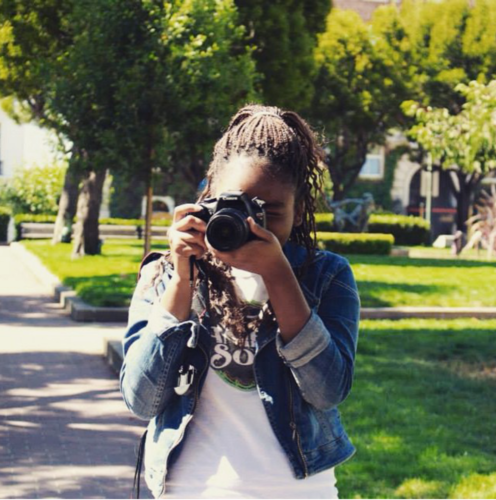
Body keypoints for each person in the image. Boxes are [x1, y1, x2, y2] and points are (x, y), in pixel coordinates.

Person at [120, 104, 361, 499]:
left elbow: (328, 391)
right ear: (208, 198)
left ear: (300, 211)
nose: (251, 223)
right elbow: (141, 400)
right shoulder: (166, 273)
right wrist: (181, 280)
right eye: (236, 205)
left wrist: (278, 275)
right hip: (191, 490)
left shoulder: (327, 275)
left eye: (269, 212)